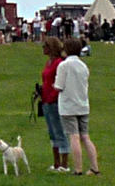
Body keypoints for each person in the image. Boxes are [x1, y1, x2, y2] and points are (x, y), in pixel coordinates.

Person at [54, 38, 99, 176]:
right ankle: (94, 168)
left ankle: (78, 169)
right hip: (83, 105)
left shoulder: (63, 66)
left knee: (74, 136)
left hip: (68, 106)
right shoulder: (83, 66)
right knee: (85, 137)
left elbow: (59, 86)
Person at [38, 37, 70, 172]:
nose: (43, 49)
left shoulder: (59, 63)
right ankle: (56, 162)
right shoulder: (48, 62)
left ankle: (64, 163)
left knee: (60, 131)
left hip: (55, 100)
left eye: (45, 46)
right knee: (52, 132)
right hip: (46, 100)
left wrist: (52, 96)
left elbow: (60, 82)